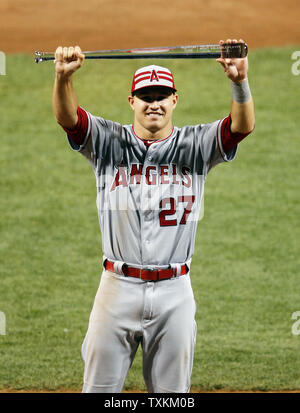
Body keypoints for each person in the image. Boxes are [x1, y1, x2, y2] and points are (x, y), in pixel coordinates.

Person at [52, 39, 255, 393]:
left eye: (162, 96)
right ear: (132, 101)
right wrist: (63, 79)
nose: (154, 104)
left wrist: (239, 82)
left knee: (171, 396)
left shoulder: (196, 144)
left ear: (174, 100)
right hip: (117, 289)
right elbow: (69, 120)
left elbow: (241, 127)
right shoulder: (107, 140)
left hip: (175, 292)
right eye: (146, 97)